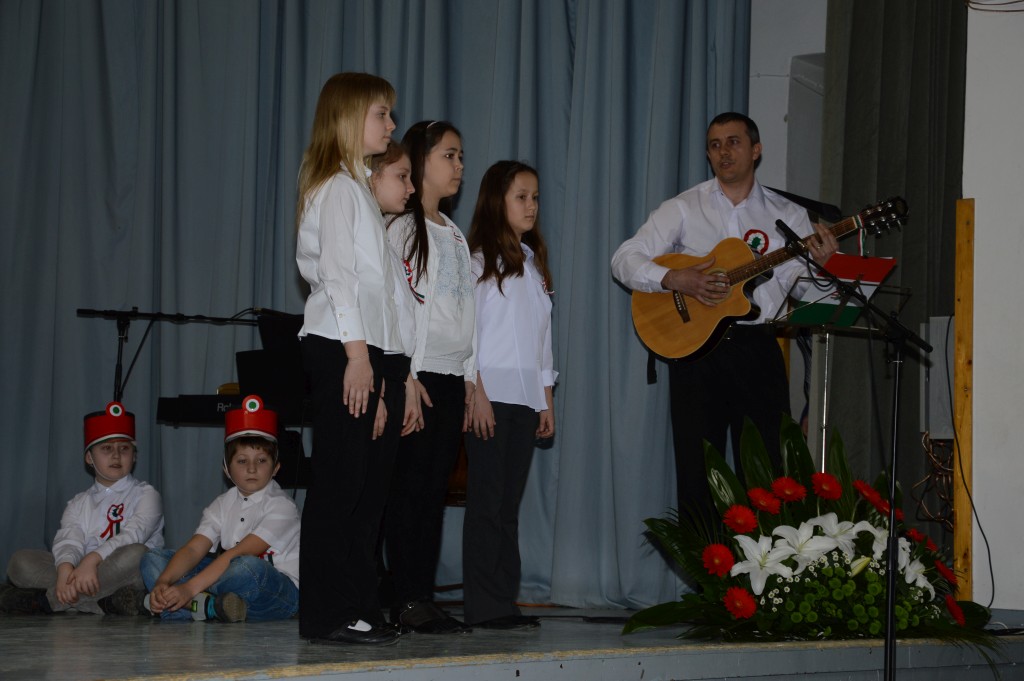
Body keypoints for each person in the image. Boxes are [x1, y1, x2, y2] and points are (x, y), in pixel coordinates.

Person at [610, 112, 838, 519]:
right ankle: (704, 559)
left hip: (758, 349)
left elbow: (803, 290)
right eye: (714, 145)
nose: (723, 152)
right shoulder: (685, 207)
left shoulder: (789, 217)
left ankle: (768, 561)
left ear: (756, 150)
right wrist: (674, 278)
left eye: (733, 142)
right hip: (696, 355)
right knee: (697, 473)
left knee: (769, 470)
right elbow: (624, 259)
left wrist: (822, 265)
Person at [294, 72, 411, 646]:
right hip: (342, 347)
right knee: (339, 484)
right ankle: (324, 615)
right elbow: (339, 279)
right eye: (381, 114)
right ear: (348, 117)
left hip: (363, 351)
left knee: (358, 486)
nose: (391, 125)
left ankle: (352, 605)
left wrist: (382, 374)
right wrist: (358, 359)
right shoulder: (339, 188)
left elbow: (381, 295)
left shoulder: (358, 188)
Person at [377, 121, 475, 635]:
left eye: (460, 157)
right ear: (420, 161)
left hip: (451, 377)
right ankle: (404, 598)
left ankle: (423, 595)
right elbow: (398, 311)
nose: (459, 166)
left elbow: (467, 314)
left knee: (433, 492)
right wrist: (407, 377)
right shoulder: (402, 229)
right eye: (449, 156)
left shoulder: (454, 233)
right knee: (409, 491)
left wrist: (471, 379)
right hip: (419, 379)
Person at [463, 160, 556, 629]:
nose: (531, 206)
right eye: (521, 196)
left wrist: (546, 399)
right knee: (487, 504)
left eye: (535, 197)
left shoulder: (534, 263)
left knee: (507, 508)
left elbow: (542, 338)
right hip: (490, 395)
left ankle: (504, 601)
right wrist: (475, 392)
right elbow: (467, 334)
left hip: (524, 398)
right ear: (496, 201)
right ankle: (483, 606)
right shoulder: (477, 262)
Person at [139, 395, 300, 623]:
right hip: (228, 579)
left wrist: (188, 588)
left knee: (246, 567)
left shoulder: (283, 506)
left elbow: (240, 553)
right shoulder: (222, 503)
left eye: (261, 460)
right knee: (154, 558)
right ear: (226, 468)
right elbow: (194, 549)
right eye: (242, 461)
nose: (252, 468)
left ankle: (191, 603)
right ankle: (210, 607)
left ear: (275, 468)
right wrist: (162, 582)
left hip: (276, 592)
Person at [1, 402, 164, 616]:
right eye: (107, 448)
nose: (116, 456)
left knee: (138, 554)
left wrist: (92, 559)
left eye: (124, 449)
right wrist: (65, 568)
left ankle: (47, 601)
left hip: (121, 572)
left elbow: (134, 534)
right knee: (20, 562)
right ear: (89, 458)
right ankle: (103, 602)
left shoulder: (147, 494)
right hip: (86, 573)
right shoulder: (78, 502)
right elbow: (70, 538)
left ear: (134, 456)